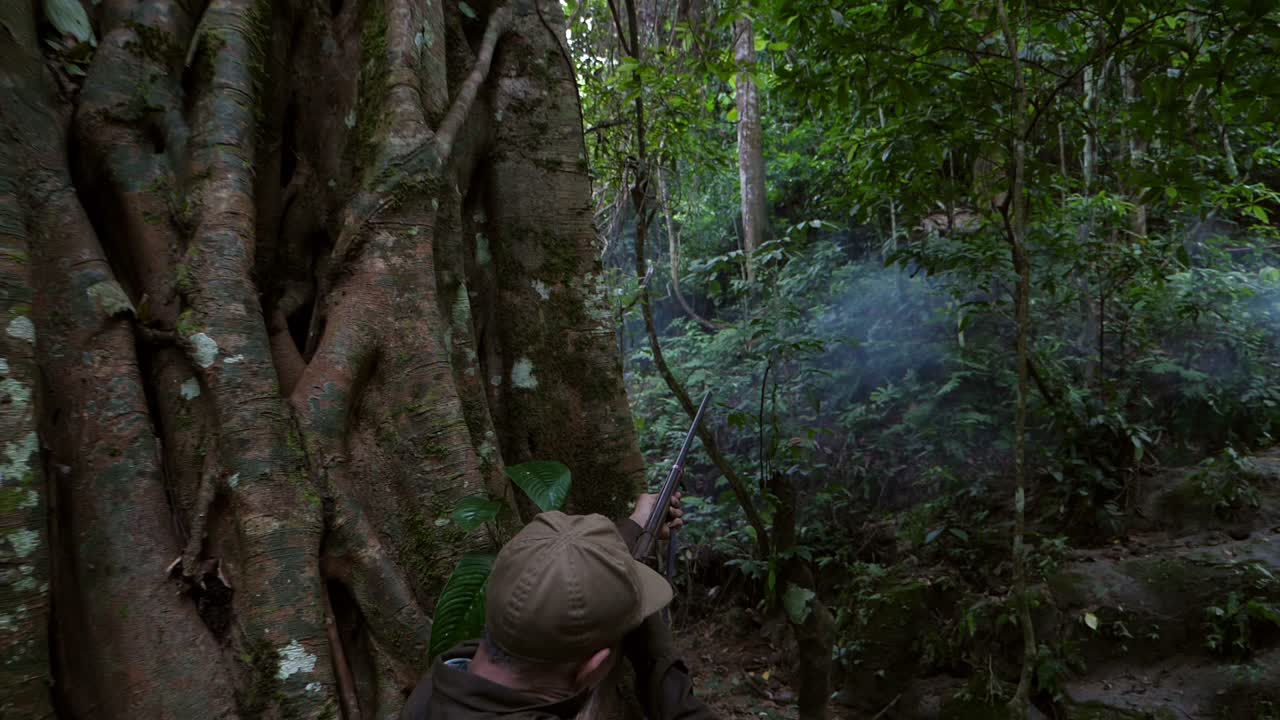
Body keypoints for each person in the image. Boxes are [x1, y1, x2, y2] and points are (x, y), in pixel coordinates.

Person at [400, 492, 716, 719]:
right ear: (593, 667)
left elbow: (550, 588)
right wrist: (656, 659)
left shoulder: (438, 685)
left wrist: (634, 528)